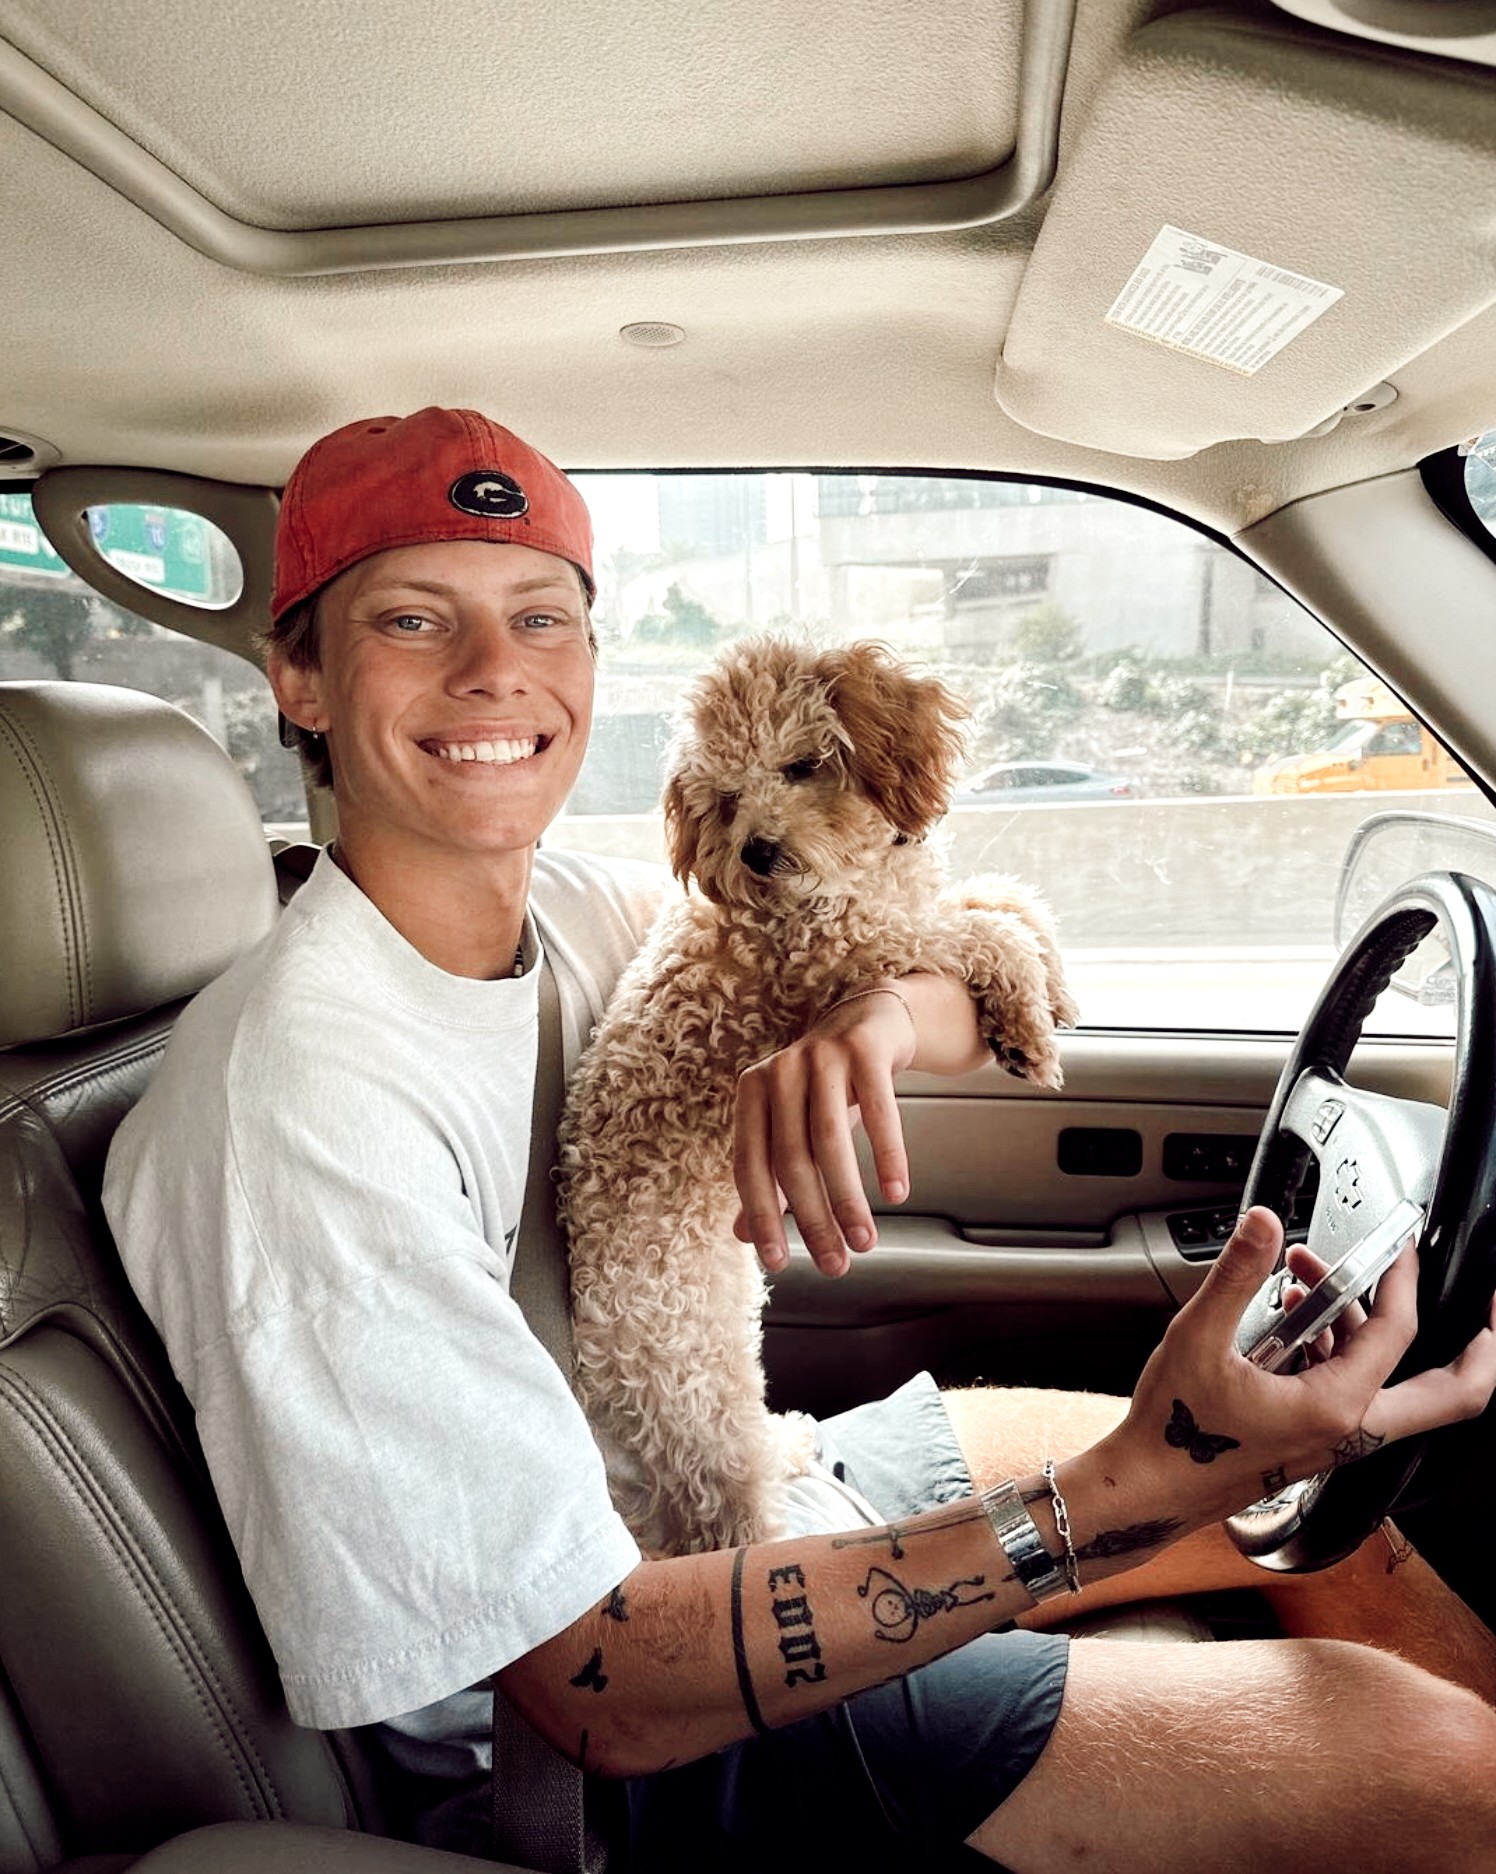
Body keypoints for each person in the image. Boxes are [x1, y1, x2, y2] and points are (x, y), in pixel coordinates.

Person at [103, 407, 1496, 1874]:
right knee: (1440, 1759)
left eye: (540, 615)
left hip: (732, 1488)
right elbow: (602, 1687)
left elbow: (938, 971)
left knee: (1319, 1520)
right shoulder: (298, 1102)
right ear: (300, 677)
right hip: (596, 1727)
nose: (493, 671)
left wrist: (884, 1018)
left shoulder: (571, 905)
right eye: (411, 618)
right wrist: (1125, 1489)